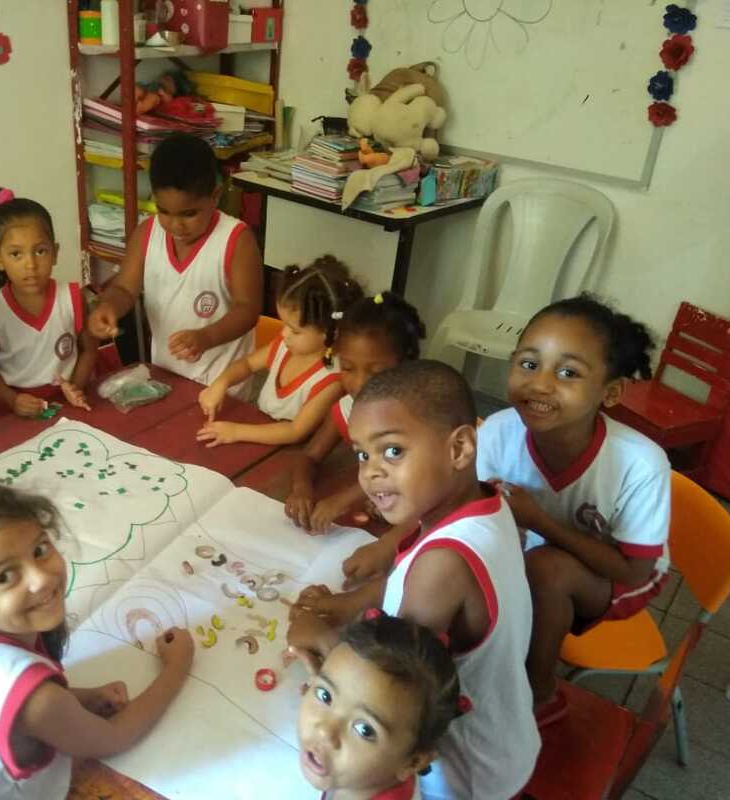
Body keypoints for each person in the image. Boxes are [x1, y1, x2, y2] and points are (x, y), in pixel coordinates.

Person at [288, 361, 539, 800]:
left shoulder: (442, 564)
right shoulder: (482, 504)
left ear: (460, 448)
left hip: (459, 775)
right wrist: (351, 605)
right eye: (362, 454)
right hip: (507, 739)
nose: (370, 472)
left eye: (392, 451)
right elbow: (407, 587)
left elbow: (390, 682)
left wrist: (318, 635)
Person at [0, 484, 194, 800]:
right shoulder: (39, 701)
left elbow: (9, 712)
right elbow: (114, 737)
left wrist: (80, 699)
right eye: (4, 576)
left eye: (39, 550)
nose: (40, 578)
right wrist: (177, 665)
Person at [475, 294, 670, 725]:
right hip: (540, 549)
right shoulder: (498, 432)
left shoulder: (640, 463)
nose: (540, 384)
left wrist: (538, 520)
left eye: (568, 373)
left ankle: (539, 691)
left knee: (546, 570)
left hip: (620, 576)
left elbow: (633, 571)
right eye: (529, 364)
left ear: (610, 392)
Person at [87, 134, 262, 392]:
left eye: (189, 214)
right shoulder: (146, 234)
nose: (175, 225)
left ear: (215, 196)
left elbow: (247, 310)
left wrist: (206, 337)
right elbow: (124, 288)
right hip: (167, 377)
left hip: (223, 386)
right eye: (164, 211)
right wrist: (109, 307)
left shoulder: (236, 241)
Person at [285, 292, 426, 534]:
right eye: (348, 368)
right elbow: (308, 456)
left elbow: (404, 473)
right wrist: (301, 489)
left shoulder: (419, 414)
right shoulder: (348, 407)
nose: (360, 383)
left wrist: (343, 500)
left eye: (376, 371)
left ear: (405, 365)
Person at [196, 256, 362, 446]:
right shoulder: (285, 346)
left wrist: (235, 431)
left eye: (295, 330)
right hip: (257, 437)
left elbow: (294, 431)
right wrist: (221, 383)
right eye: (284, 324)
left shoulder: (331, 380)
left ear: (332, 331)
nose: (284, 334)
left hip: (288, 453)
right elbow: (247, 364)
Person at [296, 614, 461, 800]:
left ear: (413, 763)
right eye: (325, 695)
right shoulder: (358, 779)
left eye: (364, 730)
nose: (325, 731)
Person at [0, 186, 97, 417]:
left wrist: (76, 387)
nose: (30, 264)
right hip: (14, 413)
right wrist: (13, 401)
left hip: (67, 405)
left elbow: (89, 351)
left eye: (40, 251)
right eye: (16, 254)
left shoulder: (72, 298)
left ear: (55, 252)